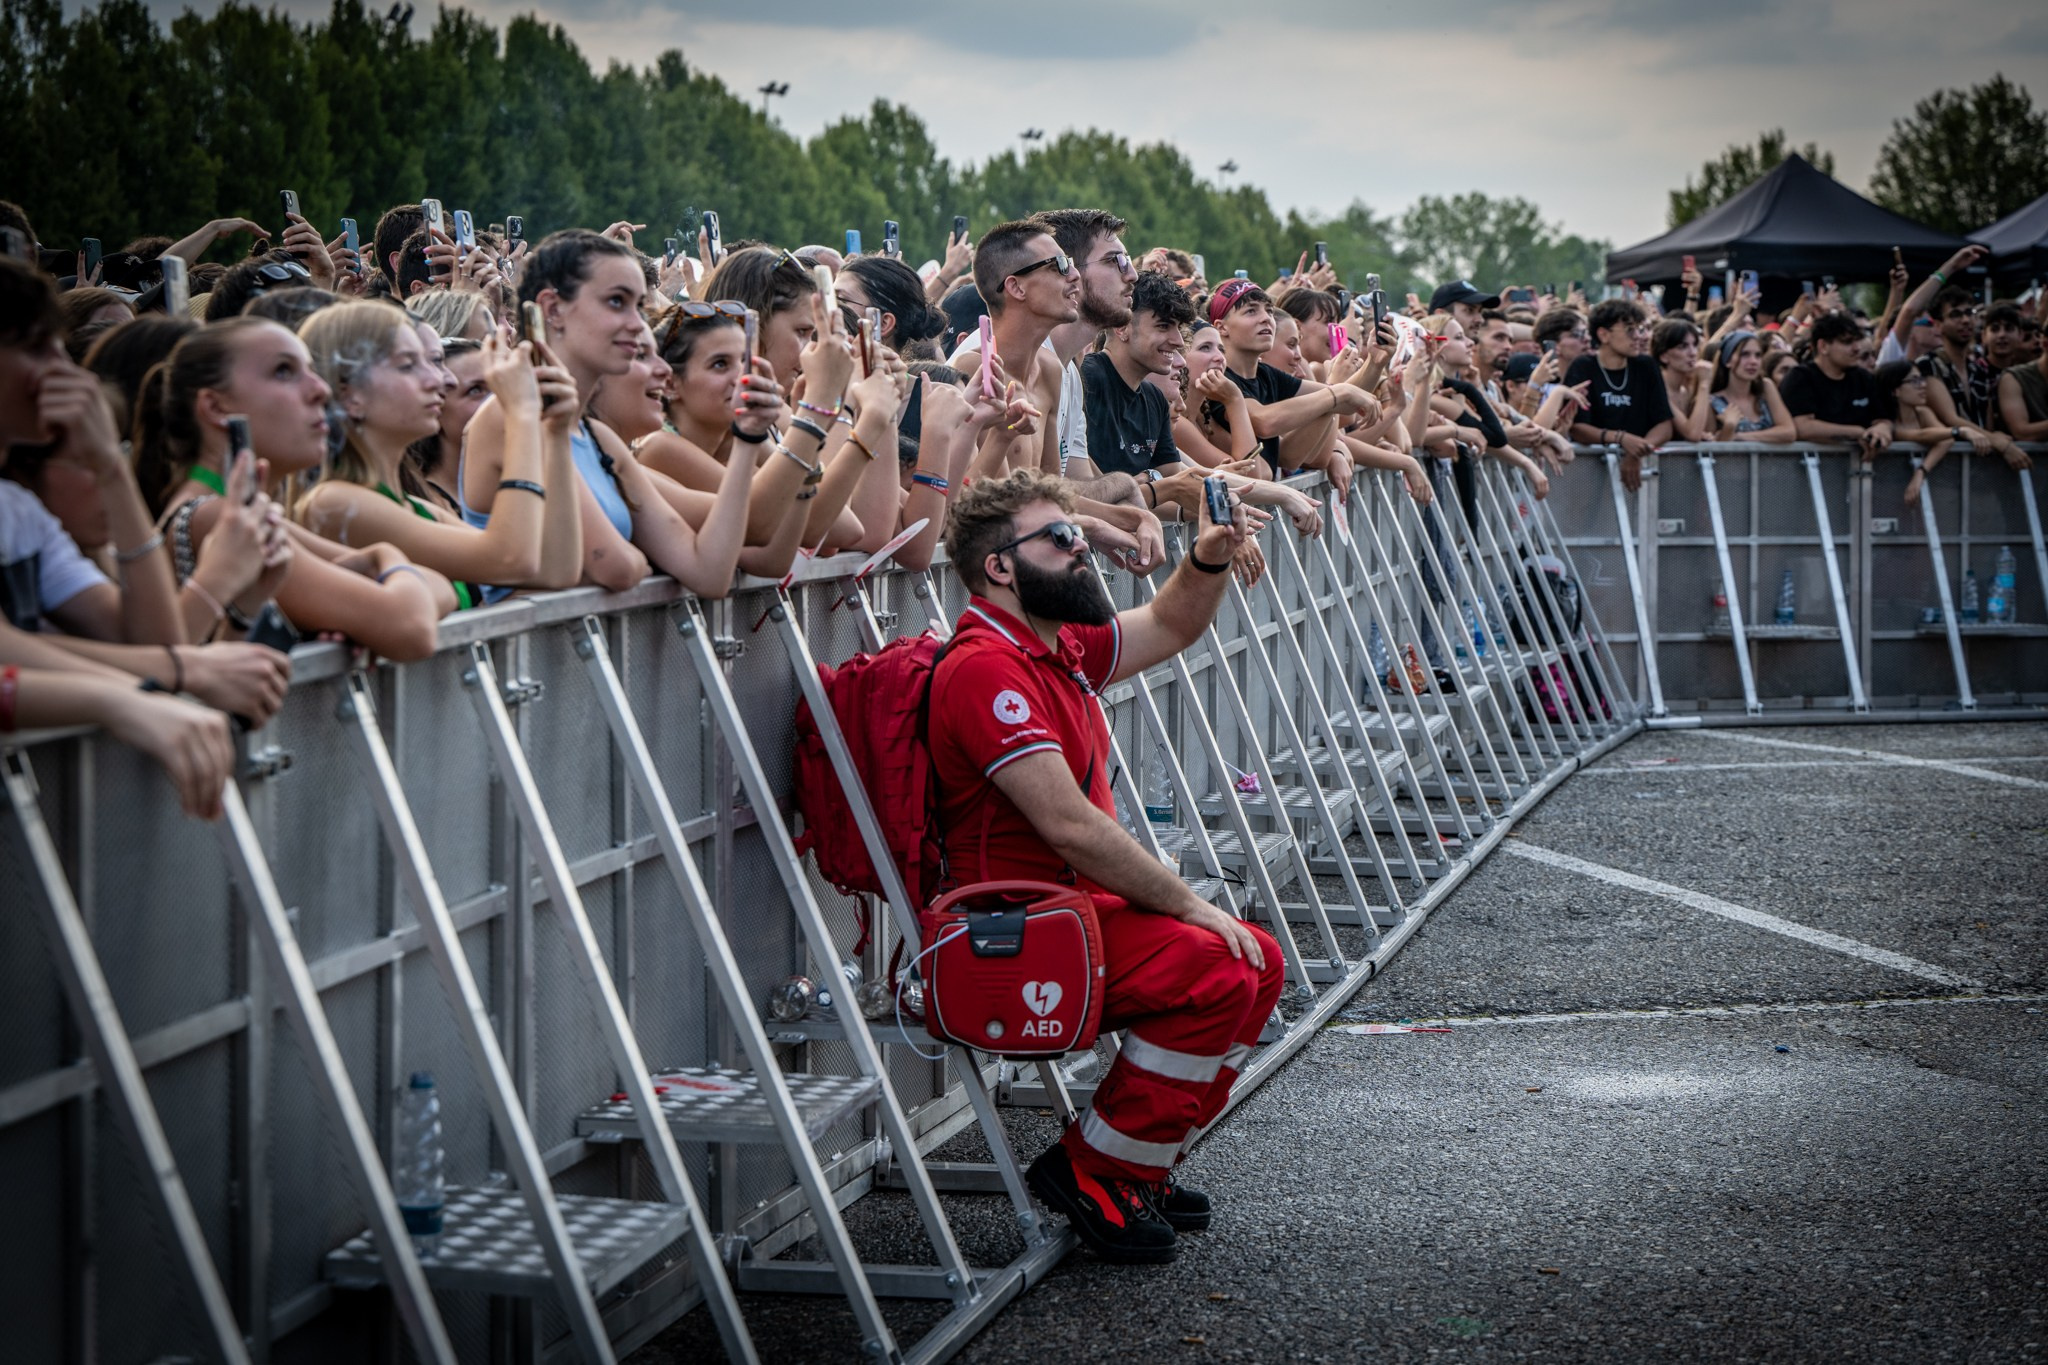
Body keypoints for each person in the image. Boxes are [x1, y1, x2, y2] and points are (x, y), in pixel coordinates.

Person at [929, 468, 1283, 1265]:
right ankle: (1094, 1169)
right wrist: (1191, 904)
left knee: (1257, 960)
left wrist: (1210, 554)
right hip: (1011, 932)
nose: (1082, 546)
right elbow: (1070, 826)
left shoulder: (1055, 644)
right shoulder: (988, 666)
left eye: (1078, 532)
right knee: (1220, 963)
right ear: (1000, 566)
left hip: (1069, 920)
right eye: (1060, 538)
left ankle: (1138, 1163)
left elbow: (1169, 622)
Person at [135, 317, 454, 658]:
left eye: (312, 370)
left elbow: (443, 589)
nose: (321, 389)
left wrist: (383, 586)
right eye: (284, 372)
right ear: (215, 407)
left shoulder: (239, 510)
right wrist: (385, 556)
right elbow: (411, 627)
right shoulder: (217, 518)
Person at [294, 300, 583, 605]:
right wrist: (520, 414)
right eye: (408, 365)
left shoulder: (417, 506)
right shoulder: (336, 503)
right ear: (349, 395)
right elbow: (511, 559)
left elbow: (555, 571)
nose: (441, 380)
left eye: (432, 362)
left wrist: (556, 432)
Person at [1564, 298, 1672, 490]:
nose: (1638, 336)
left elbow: (1664, 425)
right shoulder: (1583, 366)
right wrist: (1621, 439)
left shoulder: (1646, 366)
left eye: (1639, 329)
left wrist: (1638, 450)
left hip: (1638, 474)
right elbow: (1578, 427)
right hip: (1589, 473)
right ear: (1604, 335)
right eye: (1630, 330)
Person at [1777, 312, 1891, 458]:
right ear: (1823, 346)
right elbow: (1802, 427)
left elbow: (1883, 419)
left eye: (1857, 341)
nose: (1857, 348)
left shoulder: (1865, 378)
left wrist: (1881, 429)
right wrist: (1856, 432)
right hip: (1809, 469)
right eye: (1847, 342)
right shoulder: (1800, 377)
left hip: (1862, 474)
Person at [1705, 332, 1796, 444]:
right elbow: (1712, 450)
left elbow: (1789, 432)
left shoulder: (1766, 387)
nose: (1753, 361)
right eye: (1745, 354)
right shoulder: (1712, 401)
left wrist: (1740, 436)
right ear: (1728, 360)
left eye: (1758, 355)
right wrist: (1728, 427)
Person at [1651, 318, 1713, 442]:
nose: (1693, 353)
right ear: (1664, 356)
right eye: (1683, 346)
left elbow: (1708, 430)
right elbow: (1692, 434)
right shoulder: (1657, 389)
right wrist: (1704, 384)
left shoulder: (1686, 390)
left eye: (1695, 345)